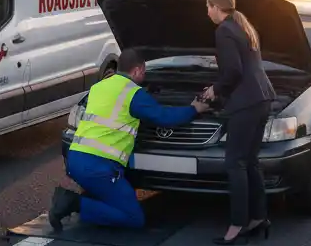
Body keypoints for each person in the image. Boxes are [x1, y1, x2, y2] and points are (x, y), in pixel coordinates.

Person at [49, 48, 209, 231]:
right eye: (144, 71)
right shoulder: (133, 93)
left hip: (76, 158)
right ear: (137, 71)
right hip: (99, 167)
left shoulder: (98, 87)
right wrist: (195, 108)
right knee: (134, 218)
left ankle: (91, 199)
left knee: (116, 196)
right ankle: (72, 203)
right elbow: (165, 117)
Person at [201, 0, 276, 245]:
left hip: (246, 103)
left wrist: (214, 90)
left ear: (215, 6)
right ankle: (259, 217)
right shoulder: (242, 26)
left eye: (208, 7)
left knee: (235, 163)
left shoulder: (223, 30)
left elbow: (233, 71)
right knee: (250, 160)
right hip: (263, 98)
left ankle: (237, 225)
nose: (207, 12)